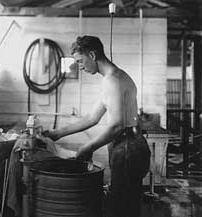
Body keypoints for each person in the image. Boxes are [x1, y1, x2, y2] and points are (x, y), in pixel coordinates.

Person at [42, 36, 151, 217]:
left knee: (119, 208)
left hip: (127, 147)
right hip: (130, 145)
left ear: (92, 55)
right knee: (127, 203)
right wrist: (57, 133)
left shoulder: (112, 80)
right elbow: (92, 117)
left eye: (80, 61)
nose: (80, 67)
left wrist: (88, 146)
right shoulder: (115, 76)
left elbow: (116, 125)